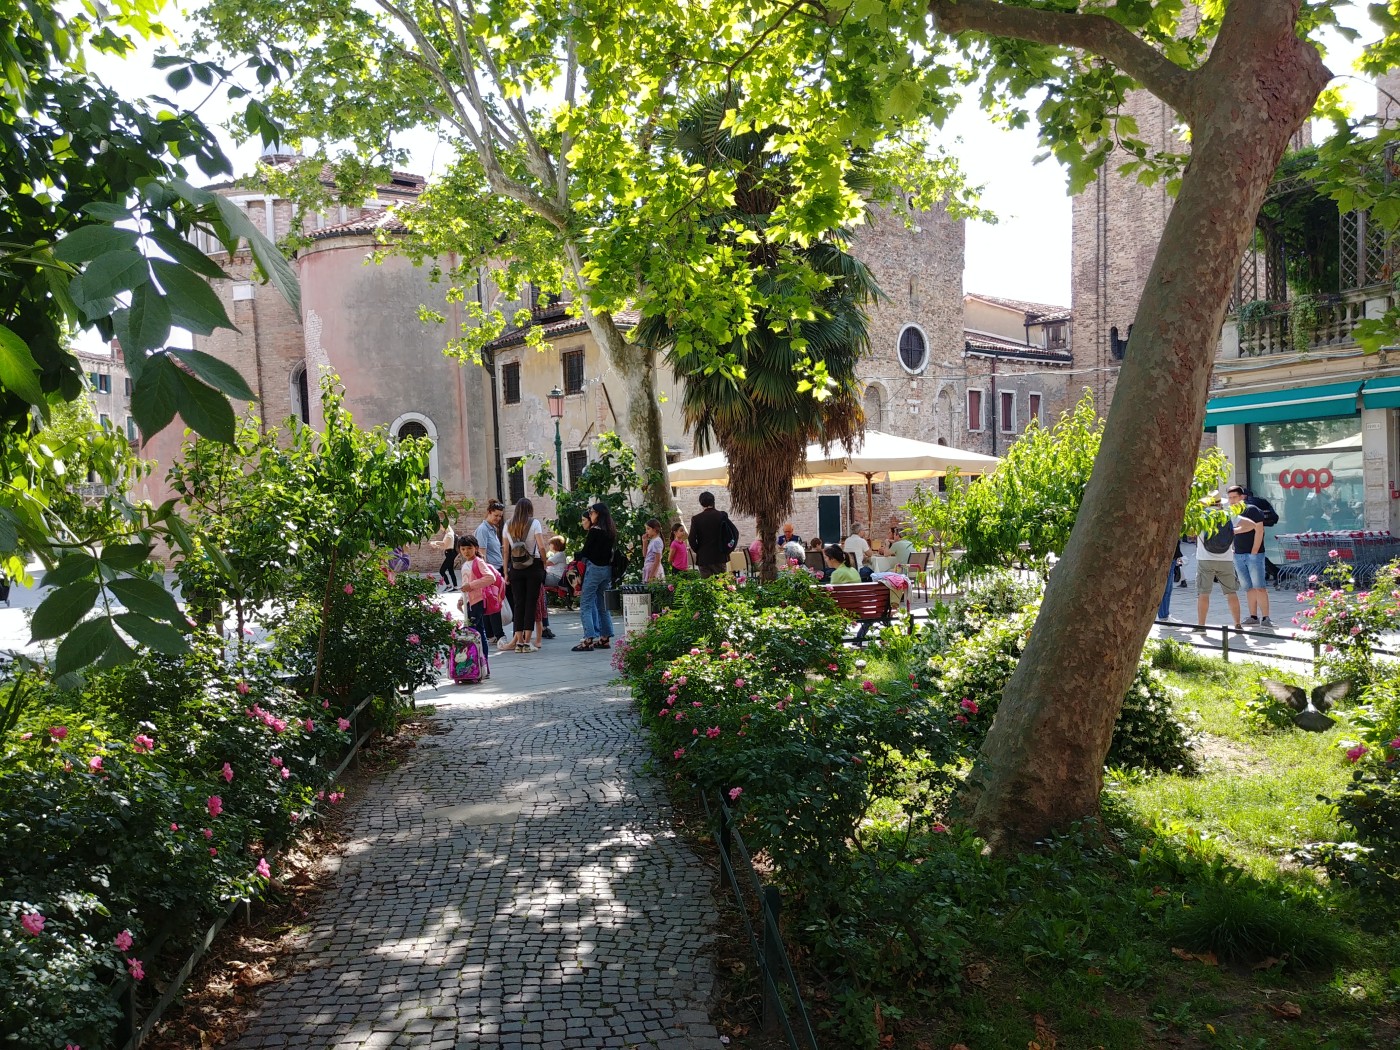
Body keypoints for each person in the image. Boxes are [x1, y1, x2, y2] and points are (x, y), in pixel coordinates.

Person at [500, 498, 546, 653]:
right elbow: (541, 546)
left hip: (515, 568)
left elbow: (505, 551)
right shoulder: (535, 523)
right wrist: (545, 562)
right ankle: (527, 642)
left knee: (518, 604)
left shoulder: (507, 525)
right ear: (529, 509)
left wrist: (506, 571)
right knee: (530, 604)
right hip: (534, 567)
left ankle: (518, 641)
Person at [1193, 498, 1244, 632]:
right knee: (1231, 593)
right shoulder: (1228, 515)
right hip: (1226, 559)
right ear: (1220, 503)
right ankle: (1237, 624)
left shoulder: (1201, 516)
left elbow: (1190, 532)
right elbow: (1250, 524)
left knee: (1203, 593)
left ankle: (1201, 626)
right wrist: (1233, 531)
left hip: (1205, 559)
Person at [1227, 484, 1272, 627]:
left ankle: (1266, 618)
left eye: (1235, 497)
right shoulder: (1230, 512)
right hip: (1238, 554)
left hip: (1254, 554)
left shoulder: (1252, 510)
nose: (1232, 500)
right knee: (1248, 587)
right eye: (1230, 498)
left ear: (1242, 497)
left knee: (1260, 586)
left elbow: (1259, 530)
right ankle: (1253, 616)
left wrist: (1254, 551)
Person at [575, 501, 616, 651]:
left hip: (594, 569)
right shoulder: (610, 531)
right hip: (606, 570)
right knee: (603, 604)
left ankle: (588, 639)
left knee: (586, 603)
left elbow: (586, 551)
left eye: (591, 513)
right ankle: (605, 638)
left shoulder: (595, 531)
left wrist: (576, 557)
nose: (590, 515)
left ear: (597, 514)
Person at [474, 499, 507, 645]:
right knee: (494, 604)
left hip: (496, 569)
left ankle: (491, 634)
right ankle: (499, 635)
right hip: (490, 571)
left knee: (490, 603)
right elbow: (482, 554)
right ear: (489, 513)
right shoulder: (483, 530)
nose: (498, 518)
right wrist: (487, 575)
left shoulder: (492, 529)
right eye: (496, 515)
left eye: (500, 516)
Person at [688, 491, 732, 578]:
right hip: (719, 556)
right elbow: (728, 534)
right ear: (713, 501)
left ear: (701, 503)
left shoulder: (696, 519)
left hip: (704, 557)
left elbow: (691, 539)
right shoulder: (722, 515)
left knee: (707, 587)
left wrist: (699, 550)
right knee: (721, 585)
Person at [1158, 539, 1183, 622]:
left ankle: (1165, 616)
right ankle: (1163, 618)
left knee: (1167, 590)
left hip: (1172, 556)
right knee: (1165, 590)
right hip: (1168, 556)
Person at [431, 513, 457, 590]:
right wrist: (437, 546)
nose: (441, 529)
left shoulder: (449, 534)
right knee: (451, 571)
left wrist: (436, 542)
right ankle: (455, 586)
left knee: (442, 571)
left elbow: (444, 543)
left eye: (441, 527)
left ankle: (449, 585)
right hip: (449, 553)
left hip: (450, 554)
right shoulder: (450, 533)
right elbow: (445, 546)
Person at [643, 518, 665, 582]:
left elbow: (657, 560)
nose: (646, 531)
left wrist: (651, 576)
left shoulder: (657, 541)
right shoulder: (652, 540)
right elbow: (645, 555)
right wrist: (644, 542)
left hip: (654, 571)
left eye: (648, 529)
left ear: (655, 529)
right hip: (649, 569)